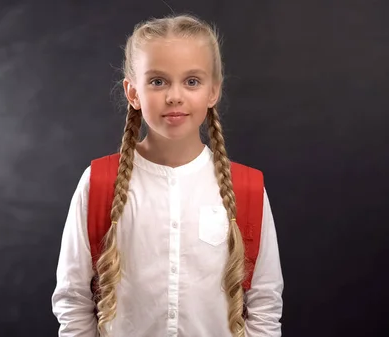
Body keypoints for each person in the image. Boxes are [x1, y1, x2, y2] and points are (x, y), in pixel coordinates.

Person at [51, 13, 284, 337]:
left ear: (213, 91)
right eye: (158, 81)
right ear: (133, 93)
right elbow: (73, 299)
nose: (174, 96)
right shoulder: (99, 183)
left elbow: (265, 303)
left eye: (192, 81)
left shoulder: (247, 189)